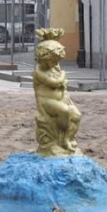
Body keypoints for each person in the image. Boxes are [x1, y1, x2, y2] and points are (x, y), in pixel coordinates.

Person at [33, 28, 81, 156]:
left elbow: (61, 83)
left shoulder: (54, 67)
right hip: (46, 102)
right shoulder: (38, 71)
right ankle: (57, 141)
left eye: (57, 60)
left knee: (76, 115)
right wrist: (63, 76)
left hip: (60, 99)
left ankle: (67, 139)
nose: (56, 63)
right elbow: (53, 83)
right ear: (44, 57)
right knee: (64, 111)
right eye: (53, 60)